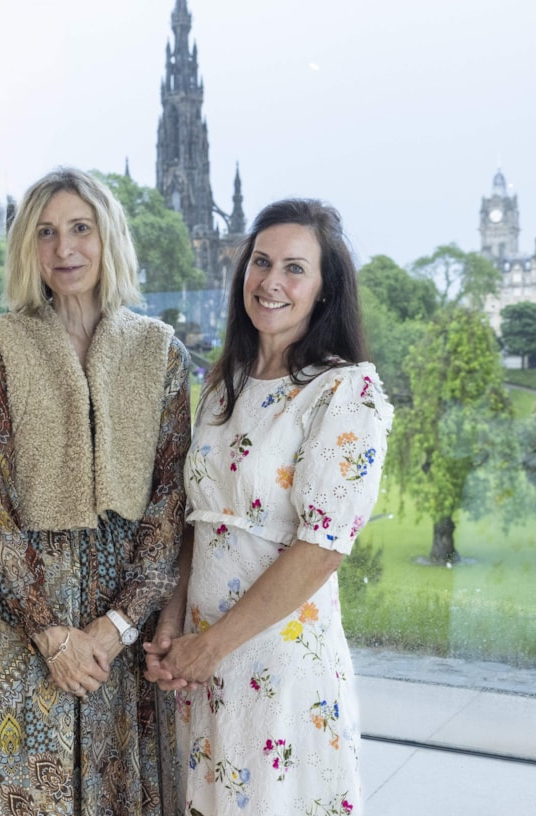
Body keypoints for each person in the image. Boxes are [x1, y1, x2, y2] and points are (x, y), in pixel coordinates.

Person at [145, 199, 393, 815]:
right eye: (260, 262)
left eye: (294, 268)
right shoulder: (221, 385)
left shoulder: (344, 391)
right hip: (199, 663)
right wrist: (174, 626)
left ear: (325, 290)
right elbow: (196, 522)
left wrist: (211, 645)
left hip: (277, 664)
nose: (271, 282)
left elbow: (322, 548)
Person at [0, 167, 191, 815]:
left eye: (80, 229)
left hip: (120, 621)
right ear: (27, 248)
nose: (65, 249)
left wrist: (115, 628)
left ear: (108, 236)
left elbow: (169, 506)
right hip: (20, 620)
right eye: (47, 233)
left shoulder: (159, 350)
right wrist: (49, 633)